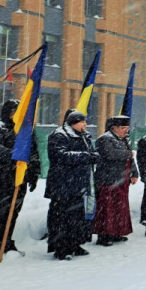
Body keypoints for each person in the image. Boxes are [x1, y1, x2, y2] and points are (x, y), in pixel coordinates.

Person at [0, 99, 41, 258]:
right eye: (16, 111)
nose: (18, 115)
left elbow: (34, 152)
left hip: (19, 178)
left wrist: (34, 172)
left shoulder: (25, 129)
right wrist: (16, 155)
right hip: (0, 177)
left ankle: (7, 241)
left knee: (13, 211)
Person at [46, 111, 100, 260]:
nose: (85, 125)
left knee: (77, 217)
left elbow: (91, 152)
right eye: (82, 122)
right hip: (62, 183)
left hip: (80, 183)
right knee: (61, 217)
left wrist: (94, 155)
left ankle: (75, 244)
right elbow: (60, 156)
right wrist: (86, 156)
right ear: (73, 122)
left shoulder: (84, 136)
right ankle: (61, 248)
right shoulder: (59, 135)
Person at [93, 115, 138, 246]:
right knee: (106, 209)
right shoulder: (105, 139)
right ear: (115, 128)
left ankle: (117, 233)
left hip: (121, 180)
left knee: (119, 209)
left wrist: (135, 173)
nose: (126, 130)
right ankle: (104, 236)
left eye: (127, 128)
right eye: (124, 128)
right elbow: (110, 154)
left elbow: (131, 159)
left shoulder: (124, 140)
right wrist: (128, 154)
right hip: (107, 180)